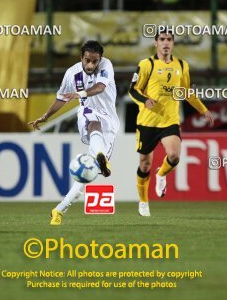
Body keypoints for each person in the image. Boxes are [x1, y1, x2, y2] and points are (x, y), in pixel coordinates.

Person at [28, 41, 119, 225]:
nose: (91, 65)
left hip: (109, 120)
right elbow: (61, 99)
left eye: (95, 61)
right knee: (92, 121)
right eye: (88, 60)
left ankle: (59, 209)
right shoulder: (71, 73)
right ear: (81, 58)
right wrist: (45, 116)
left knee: (87, 173)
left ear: (99, 59)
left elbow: (100, 88)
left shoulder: (106, 65)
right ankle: (101, 154)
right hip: (87, 113)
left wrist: (80, 94)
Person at [128, 28, 213, 216]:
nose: (165, 43)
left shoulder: (182, 66)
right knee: (144, 165)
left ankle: (161, 175)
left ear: (173, 43)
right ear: (155, 43)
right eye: (162, 39)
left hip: (170, 121)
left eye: (169, 39)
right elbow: (133, 90)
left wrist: (203, 109)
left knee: (174, 156)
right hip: (147, 122)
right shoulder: (146, 64)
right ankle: (143, 202)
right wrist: (145, 100)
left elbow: (187, 92)